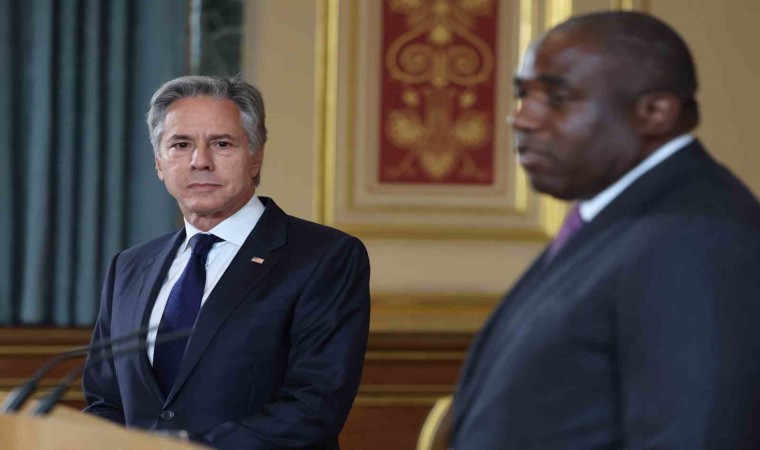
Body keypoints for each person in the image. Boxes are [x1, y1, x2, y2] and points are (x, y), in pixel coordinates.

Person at [449, 11, 760, 449]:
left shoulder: (697, 238)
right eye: (523, 94)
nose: (522, 118)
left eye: (557, 98)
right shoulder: (620, 218)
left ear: (654, 112)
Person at [82, 76, 371, 449]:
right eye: (181, 145)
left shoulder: (325, 257)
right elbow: (105, 400)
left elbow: (314, 405)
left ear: (256, 156)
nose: (200, 161)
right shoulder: (129, 267)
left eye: (221, 144)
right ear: (159, 162)